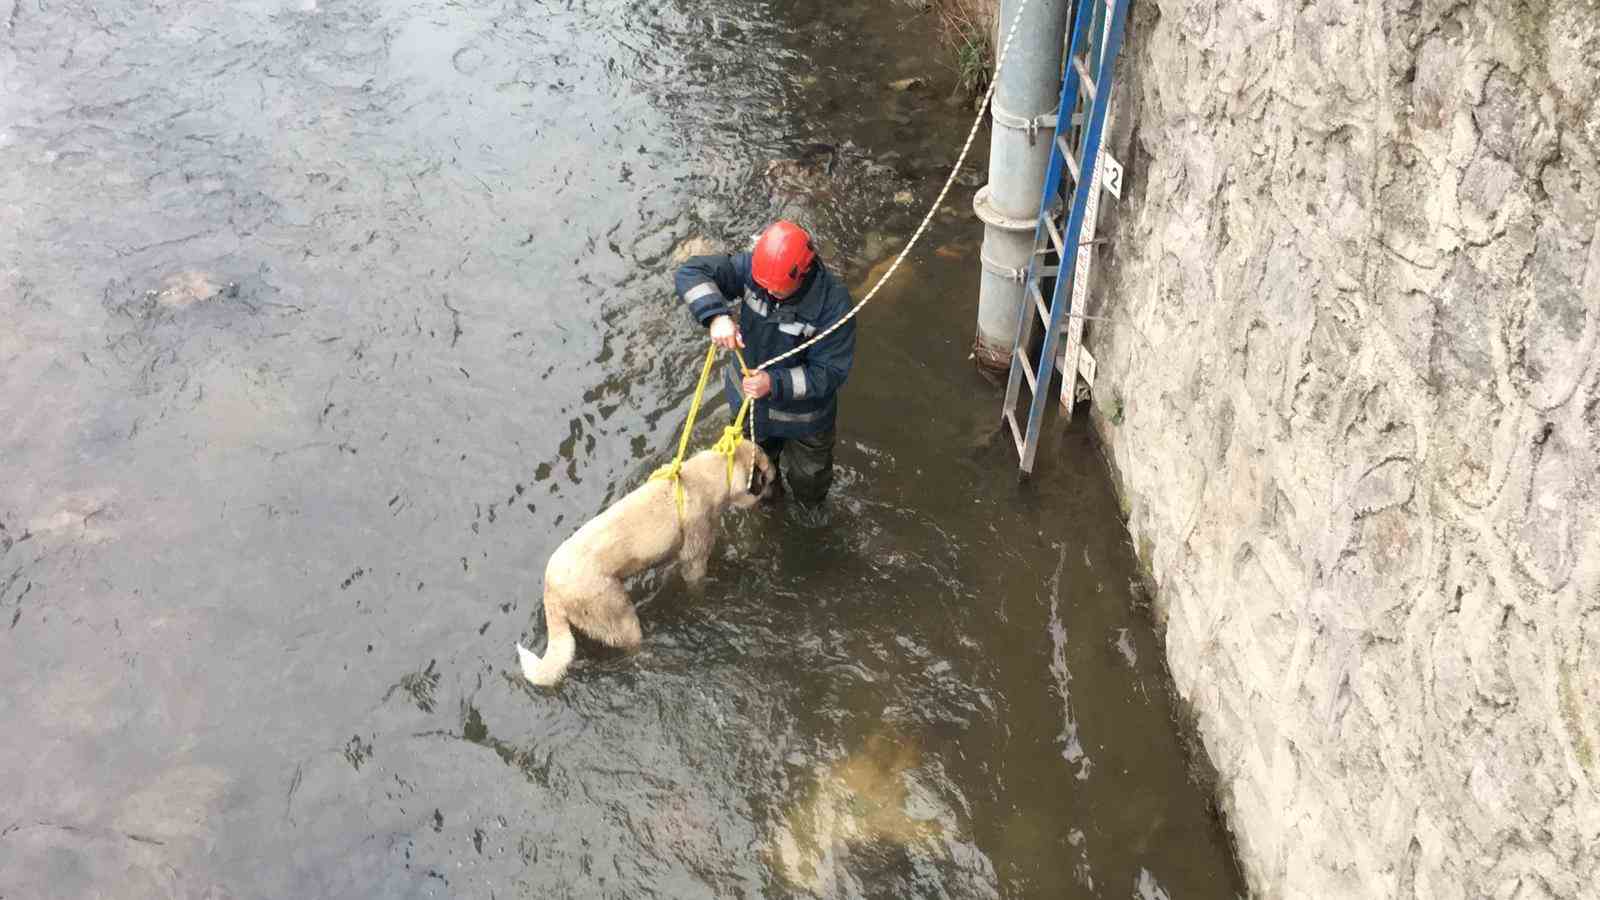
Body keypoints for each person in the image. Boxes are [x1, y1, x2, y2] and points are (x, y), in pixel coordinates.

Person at [675, 220, 856, 506]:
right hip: (751, 409)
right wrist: (716, 316)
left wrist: (774, 383)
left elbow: (830, 373)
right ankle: (771, 511)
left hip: (804, 420)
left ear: (803, 273)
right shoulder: (751, 271)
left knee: (810, 480)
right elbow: (691, 272)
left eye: (778, 290)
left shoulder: (834, 306)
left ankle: (811, 515)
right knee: (754, 480)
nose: (769, 294)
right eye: (764, 287)